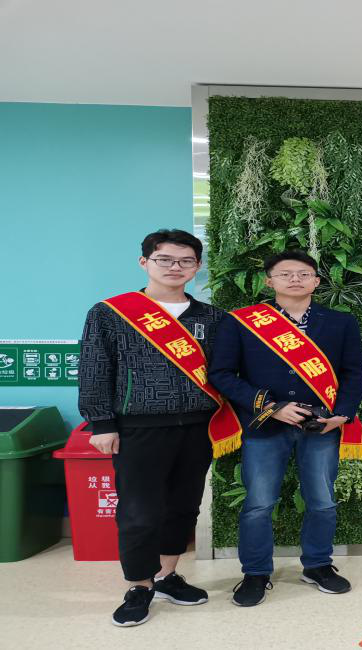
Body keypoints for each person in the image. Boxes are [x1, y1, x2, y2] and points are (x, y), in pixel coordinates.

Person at [79, 229, 233, 627]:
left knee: (183, 506)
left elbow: (225, 373)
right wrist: (101, 423)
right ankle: (139, 586)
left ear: (197, 267)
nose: (175, 267)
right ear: (144, 262)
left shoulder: (212, 318)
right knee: (139, 511)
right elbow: (95, 368)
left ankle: (166, 576)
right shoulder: (111, 313)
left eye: (185, 261)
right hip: (138, 428)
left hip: (198, 427)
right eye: (164, 259)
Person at [209, 250, 362, 607]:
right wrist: (270, 406)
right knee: (259, 503)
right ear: (269, 281)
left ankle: (318, 565)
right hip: (265, 425)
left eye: (303, 273)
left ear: (316, 281)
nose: (295, 279)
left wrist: (342, 414)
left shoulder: (340, 322)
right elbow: (222, 374)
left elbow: (354, 373)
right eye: (285, 274)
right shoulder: (242, 322)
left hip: (321, 425)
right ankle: (255, 573)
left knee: (322, 500)